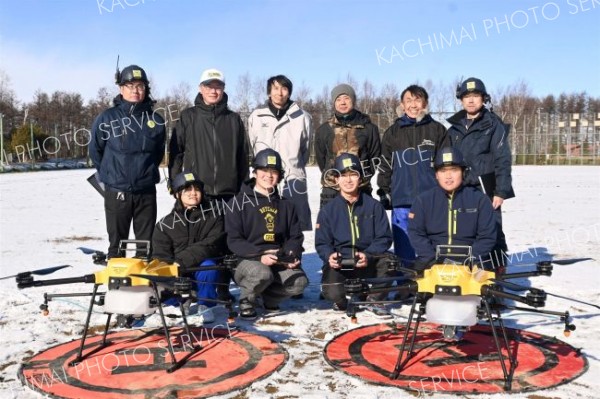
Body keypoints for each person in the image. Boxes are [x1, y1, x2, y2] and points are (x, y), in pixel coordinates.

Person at [168, 68, 249, 301]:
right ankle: (193, 286)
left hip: (228, 193)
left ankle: (222, 289)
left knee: (225, 244)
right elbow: (176, 152)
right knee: (197, 242)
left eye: (218, 86)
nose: (213, 90)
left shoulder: (233, 119)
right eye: (209, 86)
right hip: (197, 192)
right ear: (200, 88)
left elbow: (242, 156)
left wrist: (243, 186)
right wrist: (176, 184)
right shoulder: (188, 116)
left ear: (223, 89)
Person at [89, 64, 166, 258]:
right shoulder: (107, 118)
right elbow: (95, 150)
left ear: (146, 89)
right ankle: (116, 284)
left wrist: (144, 174)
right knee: (117, 245)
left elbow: (157, 154)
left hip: (145, 193)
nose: (135, 90)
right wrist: (111, 174)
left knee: (145, 246)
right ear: (121, 88)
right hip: (116, 192)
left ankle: (144, 285)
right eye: (130, 85)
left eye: (140, 86)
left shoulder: (155, 120)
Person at [224, 149, 308, 320]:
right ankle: (247, 300)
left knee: (300, 282)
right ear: (254, 172)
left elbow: (295, 236)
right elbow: (233, 240)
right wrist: (259, 255)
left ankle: (270, 298)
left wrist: (292, 254)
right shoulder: (237, 203)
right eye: (264, 171)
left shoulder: (286, 205)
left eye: (274, 172)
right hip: (246, 260)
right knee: (262, 273)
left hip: (277, 258)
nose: (269, 176)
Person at [447, 77, 514, 270]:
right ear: (461, 100)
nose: (470, 100)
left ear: (483, 98)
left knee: (492, 231)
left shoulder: (493, 125)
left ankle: (496, 275)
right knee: (464, 231)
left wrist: (501, 191)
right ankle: (467, 270)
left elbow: (503, 159)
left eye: (475, 95)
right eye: (466, 96)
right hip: (461, 189)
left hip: (486, 189)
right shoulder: (454, 129)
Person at [377, 84, 448, 267]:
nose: (413, 105)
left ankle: (431, 285)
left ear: (425, 103)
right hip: (402, 200)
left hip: (431, 200)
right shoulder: (393, 132)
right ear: (402, 104)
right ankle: (406, 286)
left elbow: (447, 166)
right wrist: (384, 190)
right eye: (408, 100)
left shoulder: (437, 129)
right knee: (404, 247)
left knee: (432, 245)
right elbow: (385, 164)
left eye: (417, 100)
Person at [316, 153, 394, 317]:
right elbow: (322, 242)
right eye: (343, 175)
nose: (348, 180)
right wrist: (329, 256)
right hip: (341, 263)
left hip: (367, 260)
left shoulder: (373, 206)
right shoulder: (328, 211)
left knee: (390, 262)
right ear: (336, 179)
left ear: (360, 178)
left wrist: (368, 254)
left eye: (353, 174)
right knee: (333, 292)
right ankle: (341, 300)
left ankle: (375, 298)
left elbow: (384, 237)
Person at [152, 172, 228, 323]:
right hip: (178, 274)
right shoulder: (165, 225)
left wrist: (181, 261)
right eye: (187, 190)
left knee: (210, 267)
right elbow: (161, 256)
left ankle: (206, 305)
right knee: (159, 274)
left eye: (197, 189)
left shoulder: (214, 217)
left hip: (199, 268)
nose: (193, 193)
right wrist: (172, 271)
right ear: (177, 194)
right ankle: (181, 301)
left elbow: (211, 244)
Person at [408, 147, 497, 271]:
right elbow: (416, 233)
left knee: (481, 286)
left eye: (454, 170)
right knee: (414, 287)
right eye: (443, 171)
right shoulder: (422, 201)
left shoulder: (480, 200)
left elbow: (487, 236)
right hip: (432, 261)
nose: (448, 176)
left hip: (472, 261)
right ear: (436, 175)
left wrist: (472, 259)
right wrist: (430, 258)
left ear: (463, 172)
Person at [248, 74, 313, 231]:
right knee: (265, 221)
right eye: (275, 88)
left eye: (284, 89)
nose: (280, 93)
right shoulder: (256, 116)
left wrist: (293, 166)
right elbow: (252, 144)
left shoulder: (302, 117)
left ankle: (293, 254)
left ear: (289, 92)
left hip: (292, 177)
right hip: (265, 176)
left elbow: (305, 149)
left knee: (293, 221)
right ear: (269, 91)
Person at [315, 84, 381, 207]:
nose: (342, 102)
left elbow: (375, 156)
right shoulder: (324, 130)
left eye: (346, 98)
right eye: (338, 99)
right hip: (332, 190)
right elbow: (321, 158)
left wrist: (362, 177)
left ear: (353, 100)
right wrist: (334, 176)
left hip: (361, 188)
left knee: (361, 224)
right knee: (332, 225)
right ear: (334, 103)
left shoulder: (369, 128)